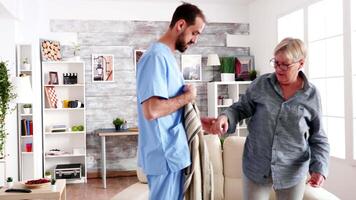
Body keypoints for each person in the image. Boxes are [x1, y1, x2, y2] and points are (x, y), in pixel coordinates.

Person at [210, 38, 330, 200]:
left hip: (292, 172)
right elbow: (240, 108)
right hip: (256, 167)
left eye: (285, 65)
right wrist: (225, 117)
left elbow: (318, 138)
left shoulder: (312, 95)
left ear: (301, 63)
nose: (278, 69)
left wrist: (319, 168)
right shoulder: (261, 84)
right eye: (276, 62)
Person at [136, 3, 206, 200]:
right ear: (181, 25)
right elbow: (152, 110)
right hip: (164, 154)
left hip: (173, 153)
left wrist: (201, 120)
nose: (195, 40)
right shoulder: (155, 57)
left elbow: (173, 107)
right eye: (195, 33)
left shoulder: (168, 57)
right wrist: (187, 97)